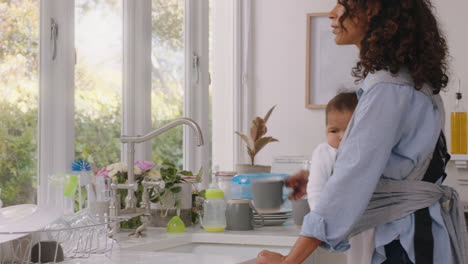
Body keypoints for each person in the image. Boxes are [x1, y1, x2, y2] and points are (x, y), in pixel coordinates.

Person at [257, 0, 467, 264]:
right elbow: (397, 166)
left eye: (342, 4)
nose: (332, 14)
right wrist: (317, 176)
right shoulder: (410, 82)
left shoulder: (388, 89)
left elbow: (351, 179)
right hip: (416, 233)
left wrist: (291, 260)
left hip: (404, 240)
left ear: (374, 10)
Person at [307, 91, 375, 264]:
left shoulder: (367, 152)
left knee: (372, 252)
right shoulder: (324, 152)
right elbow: (316, 188)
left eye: (349, 130)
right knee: (356, 256)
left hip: (368, 215)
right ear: (325, 130)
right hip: (337, 216)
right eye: (334, 130)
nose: (341, 136)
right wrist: (319, 217)